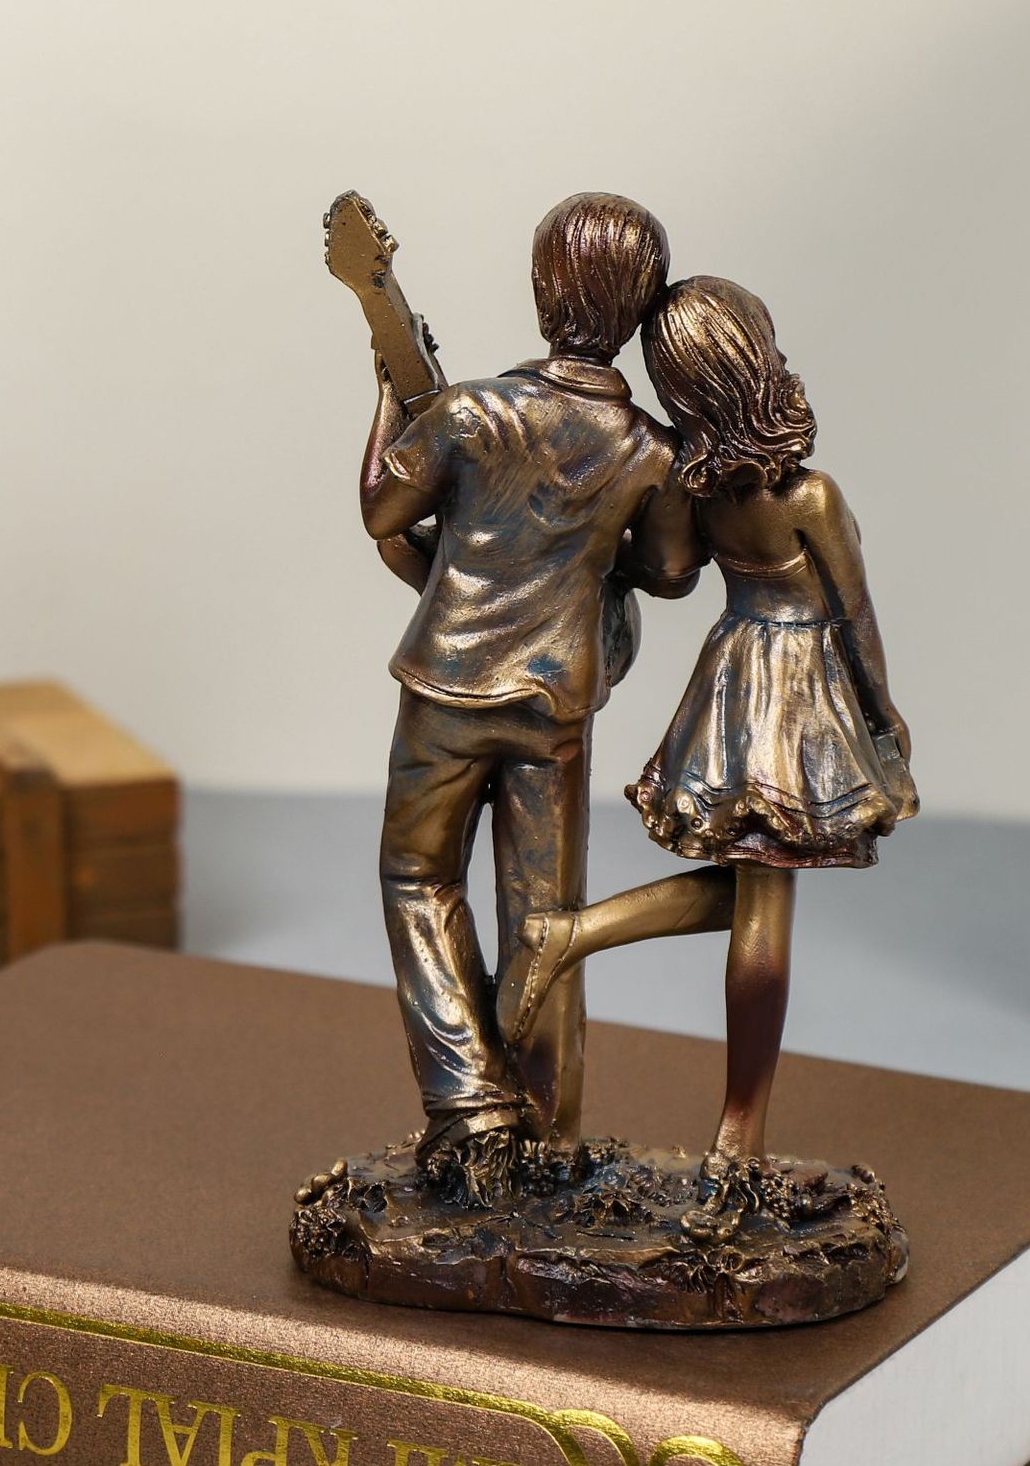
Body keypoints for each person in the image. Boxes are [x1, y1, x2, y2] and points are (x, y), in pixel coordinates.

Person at [496, 274, 917, 1238]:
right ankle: (737, 1129)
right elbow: (855, 615)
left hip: (733, 682)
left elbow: (672, 572)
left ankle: (575, 936)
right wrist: (885, 717)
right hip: (802, 698)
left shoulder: (697, 487)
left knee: (752, 892)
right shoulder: (811, 495)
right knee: (767, 907)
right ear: (754, 366)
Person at [361, 194, 702, 1207]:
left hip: (446, 689)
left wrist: (389, 399)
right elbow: (672, 573)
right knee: (548, 916)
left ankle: (470, 1104)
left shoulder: (469, 412)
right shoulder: (649, 450)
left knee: (417, 880)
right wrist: (592, 560)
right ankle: (548, 1132)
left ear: (544, 290)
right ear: (638, 310)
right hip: (556, 704)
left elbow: (383, 509)